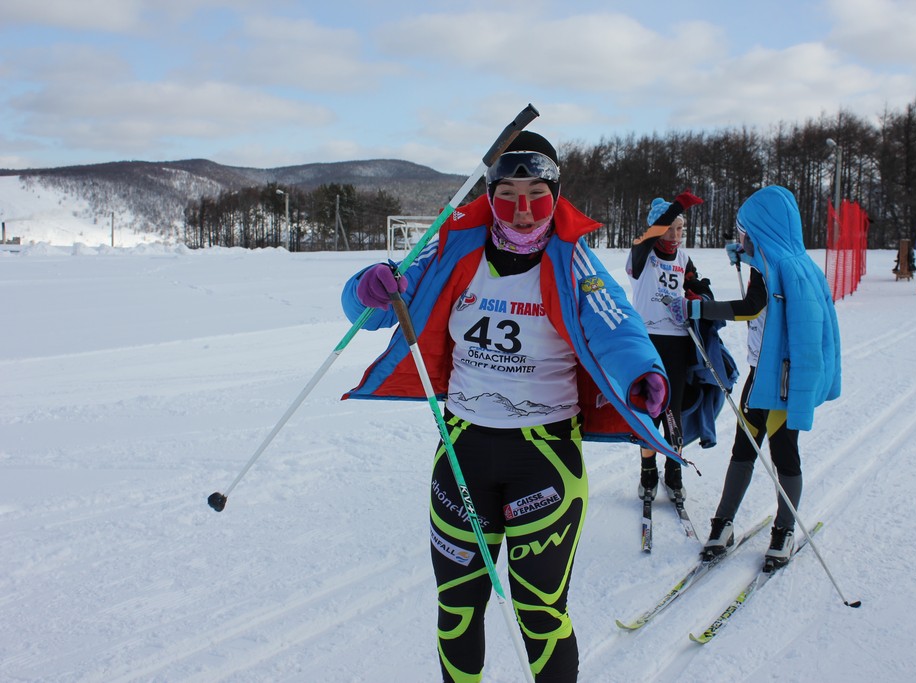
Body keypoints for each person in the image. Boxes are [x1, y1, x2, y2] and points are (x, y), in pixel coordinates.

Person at [340, 131, 678, 682]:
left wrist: (645, 374)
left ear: (556, 196)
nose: (523, 212)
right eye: (508, 195)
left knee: (540, 615)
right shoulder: (453, 249)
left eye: (537, 195)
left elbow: (618, 326)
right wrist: (368, 286)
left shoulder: (575, 262)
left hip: (543, 459)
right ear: (489, 197)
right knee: (456, 611)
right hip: (462, 451)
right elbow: (370, 306)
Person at [682, 185, 841, 568]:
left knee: (781, 451)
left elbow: (753, 307)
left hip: (781, 381)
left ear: (762, 230)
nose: (739, 239)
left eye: (744, 233)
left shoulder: (780, 270)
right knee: (745, 445)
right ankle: (723, 523)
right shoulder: (788, 263)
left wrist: (701, 310)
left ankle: (784, 528)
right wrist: (747, 257)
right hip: (762, 374)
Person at [624, 189, 705, 503]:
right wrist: (677, 206)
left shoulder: (684, 258)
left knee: (674, 411)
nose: (675, 233)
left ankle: (674, 470)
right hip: (647, 341)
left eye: (681, 227)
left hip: (678, 342)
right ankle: (647, 470)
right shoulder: (642, 252)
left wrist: (697, 299)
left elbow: (699, 287)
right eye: (670, 226)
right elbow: (653, 232)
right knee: (649, 408)